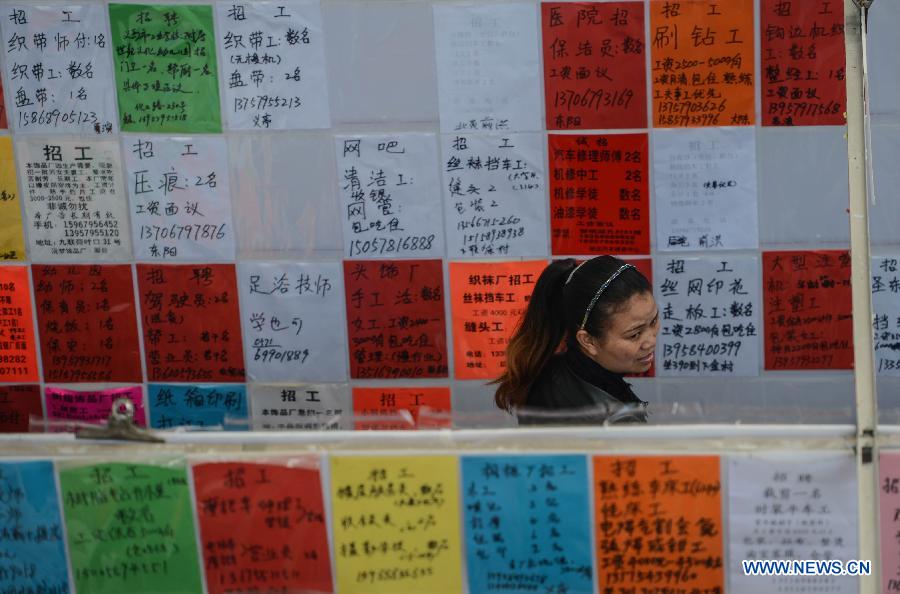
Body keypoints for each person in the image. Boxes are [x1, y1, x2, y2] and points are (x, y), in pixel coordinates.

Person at [493, 256, 659, 425]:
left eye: (653, 321)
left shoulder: (552, 372)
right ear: (587, 340)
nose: (650, 341)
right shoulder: (611, 423)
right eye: (634, 334)